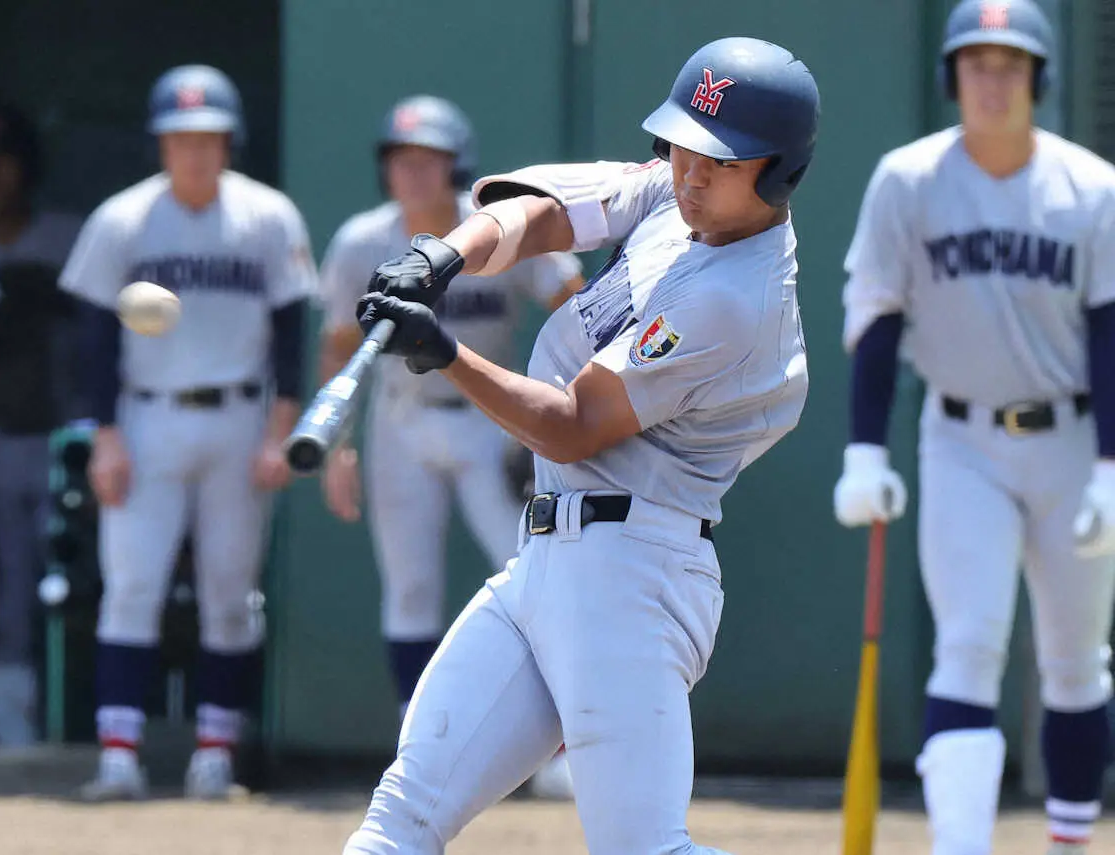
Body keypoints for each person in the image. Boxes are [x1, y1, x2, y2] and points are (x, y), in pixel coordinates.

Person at [336, 36, 819, 854]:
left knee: (641, 848)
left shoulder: (741, 298)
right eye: (683, 149)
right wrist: (445, 254)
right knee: (399, 823)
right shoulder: (680, 198)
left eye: (722, 161)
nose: (692, 173)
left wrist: (443, 351)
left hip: (635, 573)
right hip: (548, 559)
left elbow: (572, 421)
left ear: (777, 171)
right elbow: (544, 213)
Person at [834, 1, 1115, 852]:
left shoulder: (1092, 187)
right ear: (951, 77)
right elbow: (876, 318)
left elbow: (1109, 329)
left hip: (1069, 442)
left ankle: (1069, 842)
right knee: (967, 644)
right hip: (959, 440)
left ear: (1039, 78)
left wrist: (1110, 465)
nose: (993, 81)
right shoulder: (908, 180)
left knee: (1075, 660)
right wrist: (862, 449)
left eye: (1011, 64)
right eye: (977, 64)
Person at [59, 64, 317, 800]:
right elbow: (92, 339)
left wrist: (280, 428)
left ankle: (214, 754)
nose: (195, 152)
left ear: (227, 141)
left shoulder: (266, 214)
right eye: (181, 138)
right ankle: (118, 755)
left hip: (239, 417)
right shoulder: (123, 218)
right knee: (131, 584)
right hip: (147, 417)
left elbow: (289, 324)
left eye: (207, 138)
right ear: (161, 144)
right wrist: (103, 434)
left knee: (230, 592)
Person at [317, 94, 585, 799]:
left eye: (427, 161)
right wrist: (339, 446)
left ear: (454, 166)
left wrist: (552, 411)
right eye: (401, 161)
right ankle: (419, 748)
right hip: (400, 417)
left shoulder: (487, 230)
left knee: (531, 574)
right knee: (409, 585)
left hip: (486, 415)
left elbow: (574, 299)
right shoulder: (359, 241)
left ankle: (556, 746)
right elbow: (339, 345)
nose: (412, 174)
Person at [0, 101, 83, 746]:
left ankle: (55, 731)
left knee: (54, 593)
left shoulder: (67, 237)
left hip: (57, 442)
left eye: (4, 161)